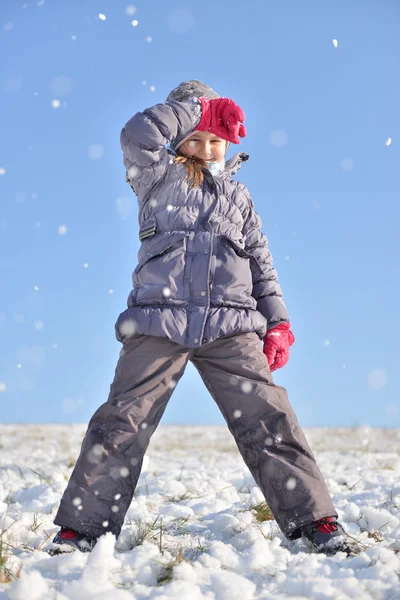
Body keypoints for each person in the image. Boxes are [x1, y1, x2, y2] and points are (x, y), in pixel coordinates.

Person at [49, 80, 362, 557]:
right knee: (123, 421)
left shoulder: (239, 197)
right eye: (196, 135)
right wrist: (195, 109)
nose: (206, 146)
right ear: (179, 136)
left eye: (216, 137)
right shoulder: (154, 175)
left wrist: (277, 322)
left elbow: (262, 266)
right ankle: (81, 530)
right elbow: (138, 132)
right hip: (160, 320)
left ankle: (315, 521)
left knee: (269, 417)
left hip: (232, 326)